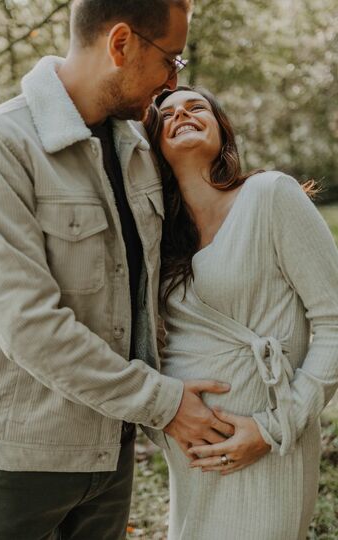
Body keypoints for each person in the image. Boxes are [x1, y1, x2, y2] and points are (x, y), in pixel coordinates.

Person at [0, 4, 235, 539]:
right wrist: (164, 404)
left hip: (112, 454)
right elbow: (28, 324)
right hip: (19, 464)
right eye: (171, 58)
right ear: (121, 44)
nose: (173, 79)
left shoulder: (139, 145)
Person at [144, 85, 338, 540]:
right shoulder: (157, 236)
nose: (182, 114)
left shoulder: (270, 196)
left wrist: (275, 428)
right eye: (166, 114)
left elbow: (333, 321)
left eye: (197, 107)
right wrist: (167, 409)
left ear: (222, 130)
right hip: (191, 448)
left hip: (267, 441)